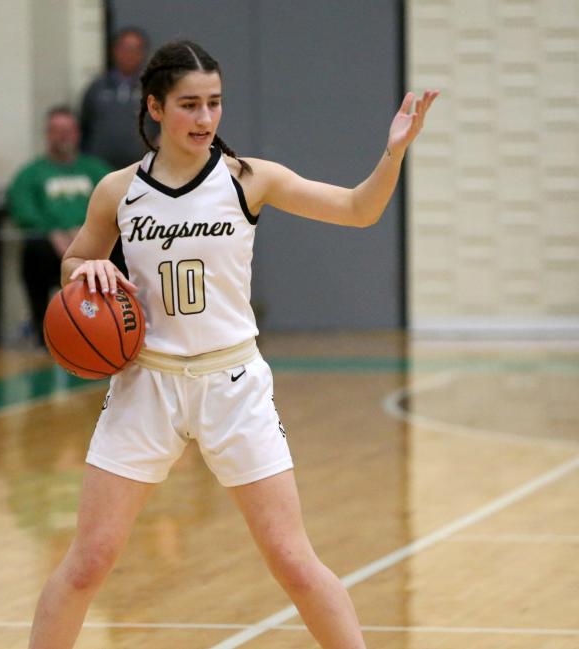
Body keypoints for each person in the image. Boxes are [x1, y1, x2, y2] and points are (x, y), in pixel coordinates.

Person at [27, 40, 438, 648]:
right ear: (156, 108)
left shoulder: (250, 179)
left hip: (233, 384)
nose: (205, 118)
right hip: (147, 385)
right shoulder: (119, 190)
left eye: (214, 103)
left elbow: (358, 210)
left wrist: (393, 152)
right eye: (189, 104)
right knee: (88, 562)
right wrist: (86, 272)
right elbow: (77, 262)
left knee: (294, 563)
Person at [7, 107, 111, 346]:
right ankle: (41, 331)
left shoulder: (95, 170)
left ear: (77, 134)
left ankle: (110, 325)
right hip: (50, 249)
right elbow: (22, 210)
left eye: (68, 130)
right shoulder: (30, 174)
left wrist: (86, 234)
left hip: (94, 248)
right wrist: (52, 231)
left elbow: (116, 203)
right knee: (33, 250)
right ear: (47, 134)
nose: (63, 136)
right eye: (57, 131)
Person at [79, 27, 149, 171]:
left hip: (143, 170)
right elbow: (83, 126)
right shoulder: (96, 88)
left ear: (143, 54)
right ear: (114, 51)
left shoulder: (153, 88)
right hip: (99, 170)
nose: (129, 54)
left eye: (135, 49)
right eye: (125, 48)